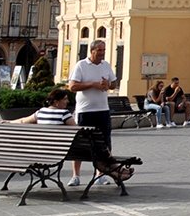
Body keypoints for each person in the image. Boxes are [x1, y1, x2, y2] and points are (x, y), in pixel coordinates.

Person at [12, 88, 135, 184]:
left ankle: (118, 172)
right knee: (102, 152)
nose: (67, 101)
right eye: (64, 99)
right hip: (63, 152)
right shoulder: (64, 114)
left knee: (100, 154)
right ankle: (118, 172)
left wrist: (8, 122)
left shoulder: (40, 112)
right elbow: (78, 132)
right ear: (56, 102)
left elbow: (23, 121)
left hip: (45, 151)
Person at [68, 40, 117, 187]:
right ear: (92, 51)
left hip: (102, 110)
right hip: (85, 111)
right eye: (100, 50)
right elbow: (72, 86)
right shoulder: (81, 65)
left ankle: (100, 174)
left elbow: (114, 83)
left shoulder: (106, 65)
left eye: (104, 50)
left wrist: (108, 85)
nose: (102, 53)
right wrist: (93, 84)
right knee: (81, 143)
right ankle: (76, 175)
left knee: (104, 143)